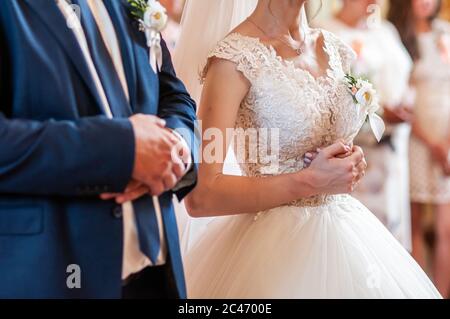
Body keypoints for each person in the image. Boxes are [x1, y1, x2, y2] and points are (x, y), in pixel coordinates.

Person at [176, 0, 441, 298]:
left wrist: (350, 159)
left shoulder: (333, 48)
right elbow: (201, 196)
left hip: (347, 233)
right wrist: (309, 181)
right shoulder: (231, 61)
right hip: (271, 254)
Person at [0, 0, 198, 298]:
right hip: (54, 272)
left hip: (157, 272)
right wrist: (123, 150)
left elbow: (173, 93)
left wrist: (175, 144)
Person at [319, 0, 414, 250]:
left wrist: (405, 103)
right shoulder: (326, 32)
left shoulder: (386, 31)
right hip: (359, 155)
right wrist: (379, 113)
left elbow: (404, 77)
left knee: (394, 244)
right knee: (364, 244)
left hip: (394, 152)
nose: (374, 2)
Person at [389, 0, 450, 297]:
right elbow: (402, 96)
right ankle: (416, 292)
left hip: (447, 135)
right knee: (411, 222)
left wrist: (445, 143)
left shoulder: (445, 32)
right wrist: (430, 141)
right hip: (415, 136)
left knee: (445, 228)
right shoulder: (397, 37)